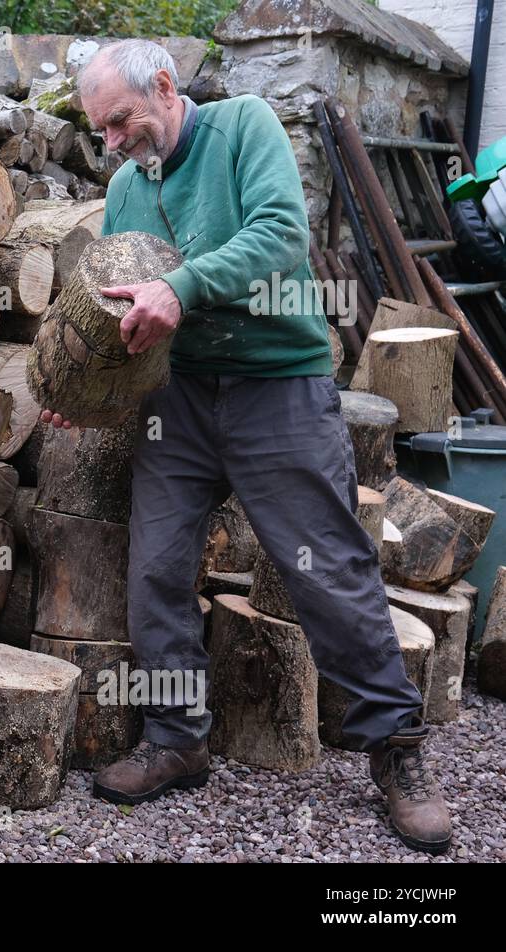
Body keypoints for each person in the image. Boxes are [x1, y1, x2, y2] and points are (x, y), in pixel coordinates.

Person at [38, 39, 452, 854]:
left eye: (120, 121)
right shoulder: (125, 186)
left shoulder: (243, 126)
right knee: (155, 566)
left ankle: (398, 753)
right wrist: (83, 390)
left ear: (163, 86)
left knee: (326, 568)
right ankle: (177, 738)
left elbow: (279, 237)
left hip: (279, 386)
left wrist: (181, 288)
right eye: (101, 131)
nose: (113, 143)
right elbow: (118, 310)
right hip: (180, 400)